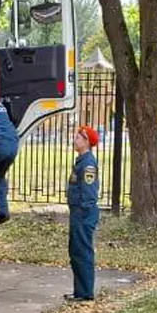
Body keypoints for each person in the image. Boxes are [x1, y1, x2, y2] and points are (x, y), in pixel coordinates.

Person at [66, 124, 101, 301]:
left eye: (78, 138)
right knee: (75, 251)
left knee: (82, 252)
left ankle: (86, 292)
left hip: (83, 213)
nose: (75, 140)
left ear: (86, 142)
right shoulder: (81, 161)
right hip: (77, 212)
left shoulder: (87, 164)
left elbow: (89, 192)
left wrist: (83, 213)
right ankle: (79, 291)